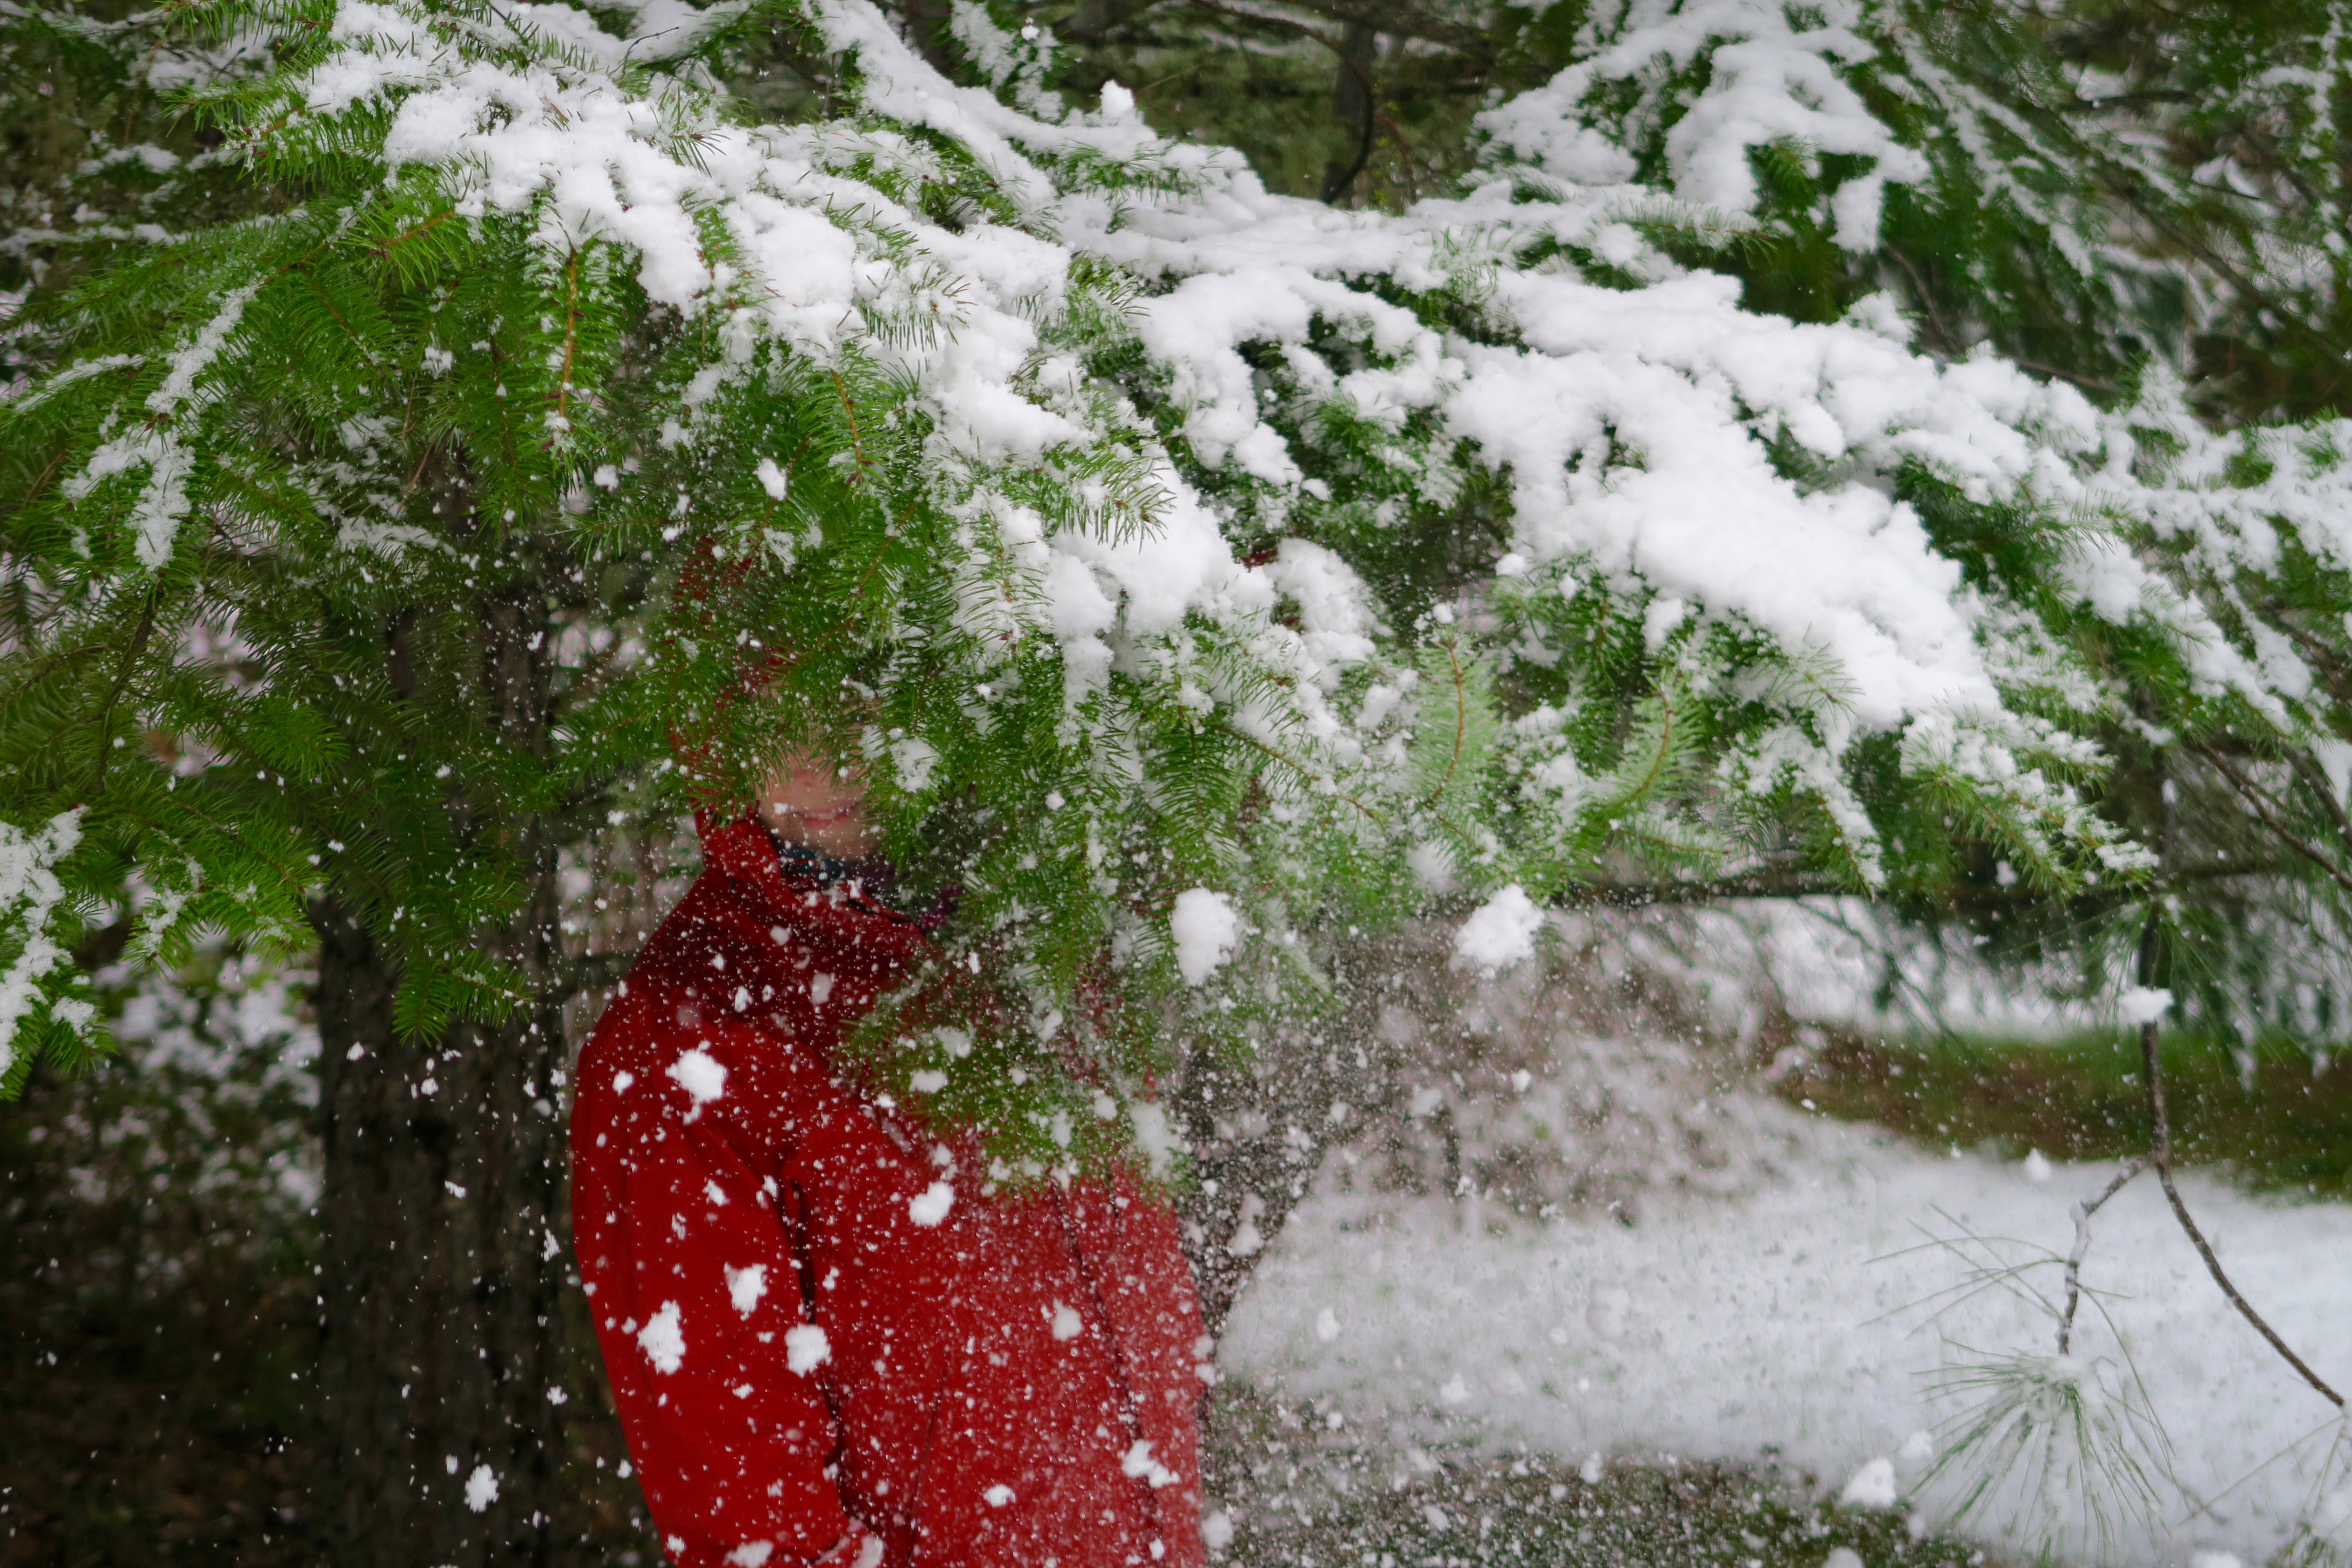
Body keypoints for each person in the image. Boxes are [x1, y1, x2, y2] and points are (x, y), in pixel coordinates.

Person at [570, 751, 1210, 1568]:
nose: (812, 767)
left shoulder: (1038, 926)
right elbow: (748, 1512)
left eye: (854, 705)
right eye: (776, 718)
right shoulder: (686, 1045)